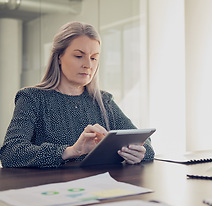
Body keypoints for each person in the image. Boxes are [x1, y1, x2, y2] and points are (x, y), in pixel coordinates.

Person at [0, 21, 154, 168]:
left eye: (94, 58)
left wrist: (140, 152)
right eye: (79, 56)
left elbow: (144, 142)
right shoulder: (32, 98)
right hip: (53, 189)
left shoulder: (104, 100)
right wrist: (71, 151)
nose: (88, 64)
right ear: (59, 57)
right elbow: (11, 152)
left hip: (99, 188)